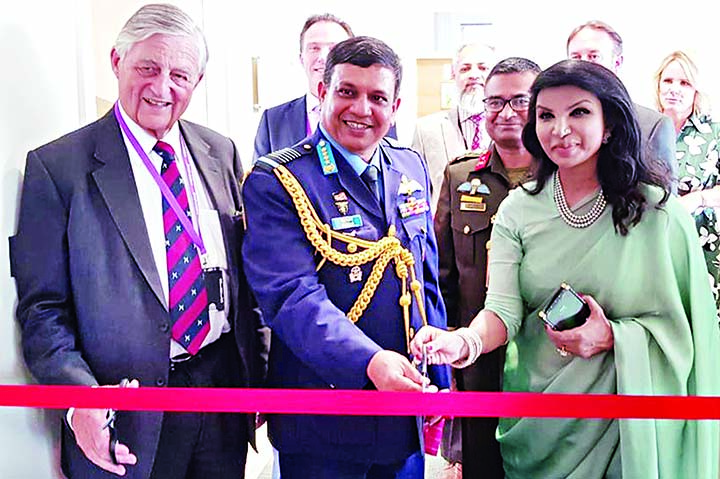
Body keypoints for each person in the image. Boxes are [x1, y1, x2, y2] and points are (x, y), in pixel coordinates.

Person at [412, 60, 720, 479]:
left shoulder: (658, 215)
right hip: (539, 418)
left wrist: (612, 337)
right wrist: (462, 342)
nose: (559, 129)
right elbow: (502, 312)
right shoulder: (518, 210)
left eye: (578, 112)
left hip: (629, 426)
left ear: (608, 123)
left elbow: (690, 334)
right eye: (545, 115)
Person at [9, 4, 265, 479]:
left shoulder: (220, 151)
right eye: (147, 67)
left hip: (221, 395)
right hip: (124, 414)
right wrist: (78, 397)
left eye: (179, 75)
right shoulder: (58, 168)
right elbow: (43, 310)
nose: (162, 87)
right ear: (116, 62)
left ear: (199, 79)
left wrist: (258, 376)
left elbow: (244, 283)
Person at [242, 36, 450, 479]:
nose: (361, 109)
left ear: (395, 107)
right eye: (347, 92)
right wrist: (369, 363)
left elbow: (424, 280)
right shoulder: (279, 179)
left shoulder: (409, 165)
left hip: (404, 409)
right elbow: (291, 297)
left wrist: (442, 380)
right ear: (322, 93)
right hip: (324, 416)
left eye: (377, 97)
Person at [434, 57, 541, 479]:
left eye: (520, 101)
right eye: (494, 102)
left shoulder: (565, 178)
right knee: (482, 461)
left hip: (546, 353)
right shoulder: (462, 176)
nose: (506, 112)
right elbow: (443, 273)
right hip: (478, 355)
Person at [253, 14, 397, 161]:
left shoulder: (377, 115)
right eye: (314, 48)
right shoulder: (273, 120)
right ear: (301, 58)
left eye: (334, 49)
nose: (324, 57)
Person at [567, 20, 678, 187]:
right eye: (576, 57)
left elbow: (665, 203)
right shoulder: (554, 123)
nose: (583, 64)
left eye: (593, 56)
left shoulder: (653, 126)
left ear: (617, 63)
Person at [654, 50, 720, 311]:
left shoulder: (713, 132)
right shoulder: (643, 129)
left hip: (702, 244)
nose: (674, 89)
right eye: (668, 81)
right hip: (653, 244)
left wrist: (699, 198)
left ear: (696, 91)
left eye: (684, 83)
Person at [412, 43, 496, 210]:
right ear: (453, 74)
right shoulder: (426, 129)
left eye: (482, 68)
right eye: (465, 69)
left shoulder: (509, 126)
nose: (474, 75)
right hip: (445, 230)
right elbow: (417, 190)